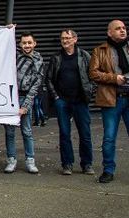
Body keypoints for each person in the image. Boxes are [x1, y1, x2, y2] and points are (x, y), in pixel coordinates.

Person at [46, 29, 94, 175]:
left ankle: (87, 164)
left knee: (85, 134)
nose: (65, 41)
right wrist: (56, 98)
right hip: (63, 102)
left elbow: (93, 75)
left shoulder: (84, 56)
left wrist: (90, 92)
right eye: (62, 38)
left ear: (75, 39)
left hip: (80, 101)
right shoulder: (56, 57)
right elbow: (48, 79)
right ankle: (67, 164)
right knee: (64, 134)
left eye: (68, 38)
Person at [89, 19, 129, 183]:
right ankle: (108, 170)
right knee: (109, 137)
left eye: (124, 28)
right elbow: (93, 73)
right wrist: (115, 78)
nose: (122, 30)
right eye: (118, 28)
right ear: (109, 33)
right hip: (112, 99)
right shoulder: (100, 51)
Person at [4, 31, 43, 174]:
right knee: (9, 132)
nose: (26, 45)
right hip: (10, 97)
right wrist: (7, 30)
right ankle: (11, 160)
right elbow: (2, 45)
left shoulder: (38, 60)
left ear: (34, 43)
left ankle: (30, 160)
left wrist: (25, 106)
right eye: (24, 43)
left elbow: (36, 85)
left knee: (27, 131)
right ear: (20, 44)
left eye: (29, 42)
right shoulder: (14, 56)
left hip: (25, 97)